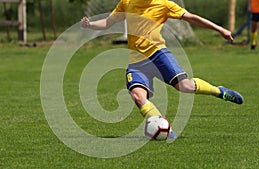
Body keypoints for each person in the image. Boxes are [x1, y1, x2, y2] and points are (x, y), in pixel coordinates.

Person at [80, 0, 243, 138]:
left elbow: (192, 18)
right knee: (137, 96)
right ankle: (163, 127)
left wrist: (220, 29)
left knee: (185, 86)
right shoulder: (127, 3)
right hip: (137, 63)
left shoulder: (164, 4)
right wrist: (91, 25)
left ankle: (219, 91)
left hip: (159, 55)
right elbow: (108, 22)